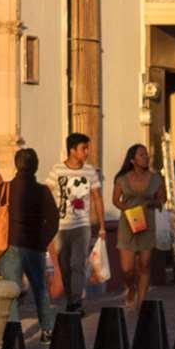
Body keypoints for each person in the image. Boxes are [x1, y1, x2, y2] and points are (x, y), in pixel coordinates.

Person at [0, 146, 56, 331]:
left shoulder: (5, 188)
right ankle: (47, 330)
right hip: (34, 246)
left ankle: (14, 334)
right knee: (40, 290)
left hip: (9, 245)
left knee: (11, 293)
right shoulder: (42, 191)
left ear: (16, 165)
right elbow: (54, 220)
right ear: (36, 167)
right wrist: (43, 242)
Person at [52, 132, 103, 309]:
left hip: (82, 226)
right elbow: (47, 192)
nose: (87, 152)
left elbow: (97, 197)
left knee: (77, 264)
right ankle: (70, 298)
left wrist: (102, 225)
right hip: (60, 226)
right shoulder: (57, 170)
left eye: (87, 148)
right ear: (72, 150)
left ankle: (76, 302)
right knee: (64, 265)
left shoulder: (89, 171)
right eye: (84, 148)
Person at [111, 142, 162, 292]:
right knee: (127, 269)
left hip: (148, 223)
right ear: (132, 160)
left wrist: (152, 203)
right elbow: (115, 200)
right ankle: (131, 288)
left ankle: (141, 303)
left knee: (144, 265)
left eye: (147, 154)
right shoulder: (122, 179)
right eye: (141, 155)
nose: (146, 157)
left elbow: (162, 199)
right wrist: (128, 210)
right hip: (128, 223)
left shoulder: (156, 178)